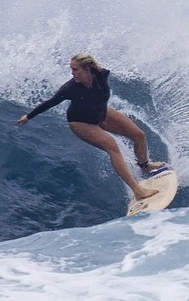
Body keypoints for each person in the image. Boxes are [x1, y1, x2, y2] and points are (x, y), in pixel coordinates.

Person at [17, 53, 164, 201]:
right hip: (80, 122)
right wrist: (28, 117)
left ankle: (145, 167)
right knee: (112, 146)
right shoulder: (70, 88)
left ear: (87, 69)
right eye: (71, 69)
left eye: (75, 69)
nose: (72, 73)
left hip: (101, 113)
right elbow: (50, 102)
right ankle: (138, 191)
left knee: (138, 135)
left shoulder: (102, 75)